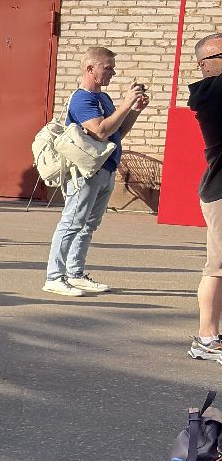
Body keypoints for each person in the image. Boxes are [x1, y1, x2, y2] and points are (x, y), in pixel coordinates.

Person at [44, 47, 147, 297]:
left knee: (88, 225)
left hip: (106, 170)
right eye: (108, 68)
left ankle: (75, 273)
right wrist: (126, 103)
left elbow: (117, 132)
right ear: (90, 69)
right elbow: (100, 131)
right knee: (71, 223)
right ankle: (54, 277)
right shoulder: (82, 99)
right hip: (85, 173)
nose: (113, 72)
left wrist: (134, 110)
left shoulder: (104, 99)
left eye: (113, 68)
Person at [184, 33, 222, 362]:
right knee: (218, 268)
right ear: (205, 64)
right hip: (221, 192)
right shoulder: (212, 92)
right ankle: (206, 339)